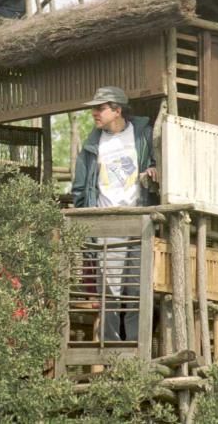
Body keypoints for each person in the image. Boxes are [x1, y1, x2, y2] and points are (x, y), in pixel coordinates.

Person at [71, 86, 158, 342]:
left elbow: (157, 162)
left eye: (100, 108)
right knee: (108, 291)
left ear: (117, 110)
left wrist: (154, 168)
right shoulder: (92, 143)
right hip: (104, 225)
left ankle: (134, 350)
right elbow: (80, 188)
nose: (94, 113)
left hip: (136, 221)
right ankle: (111, 352)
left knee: (135, 288)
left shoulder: (142, 135)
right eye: (94, 109)